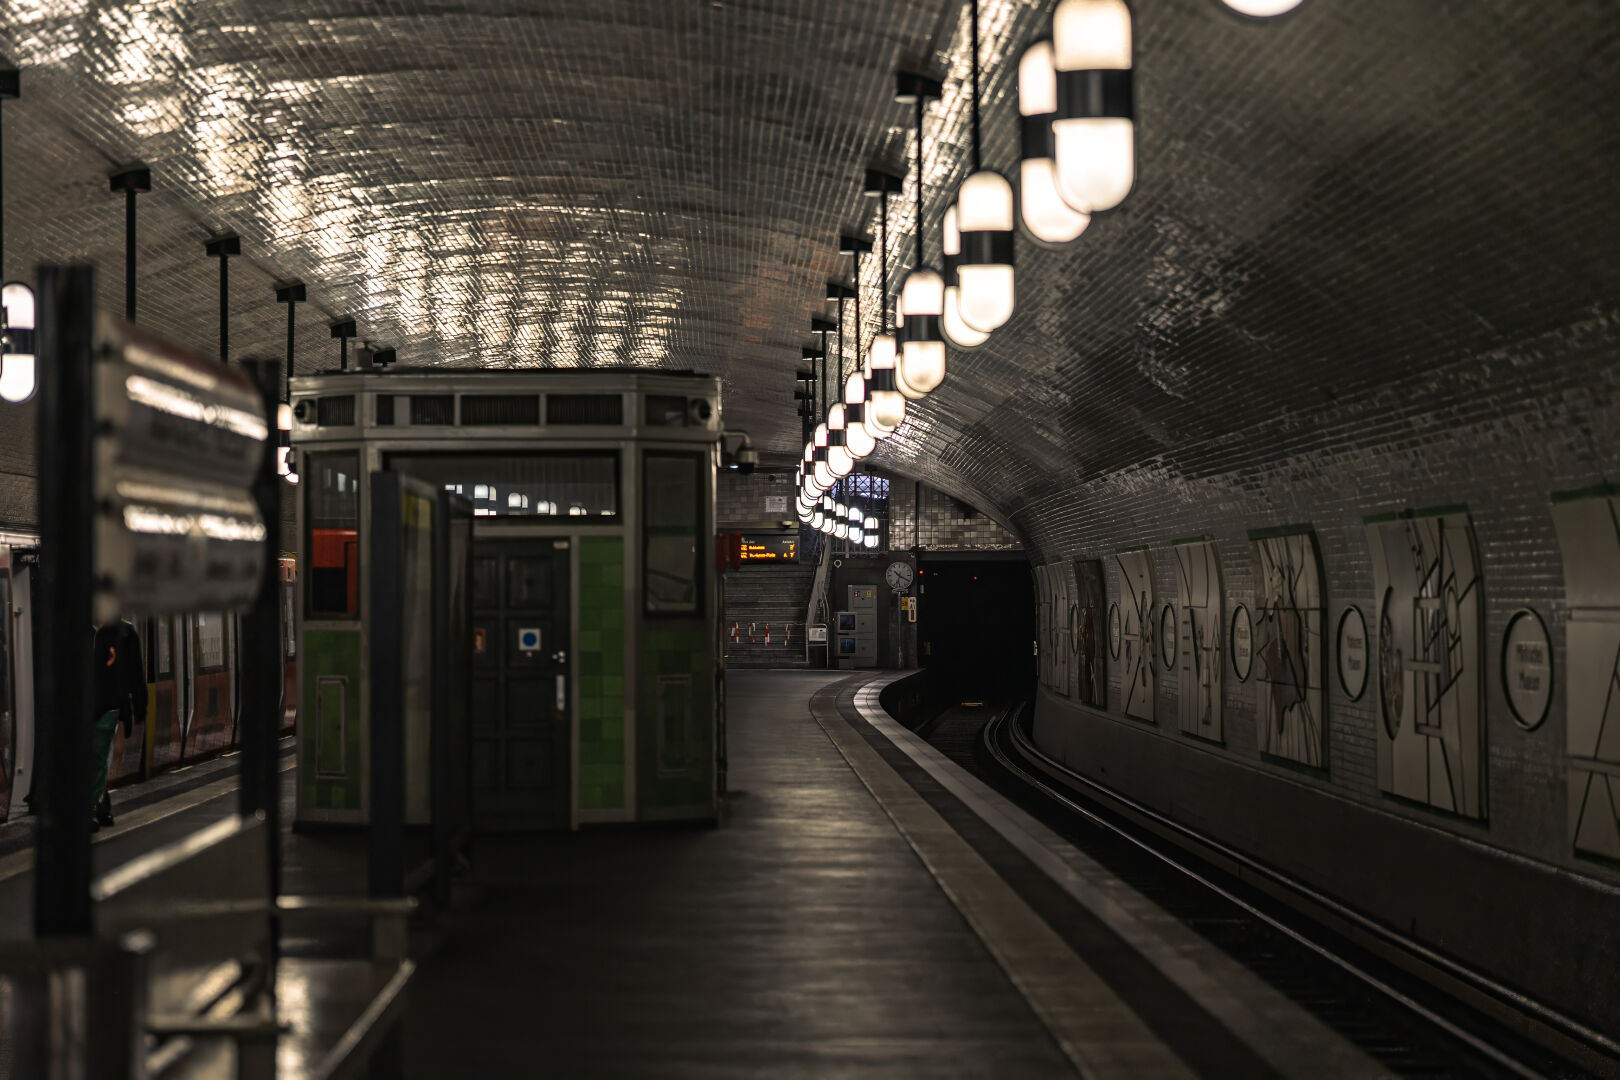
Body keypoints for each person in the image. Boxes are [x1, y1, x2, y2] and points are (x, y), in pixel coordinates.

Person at [91, 618, 145, 831]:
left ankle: (93, 807)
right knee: (97, 757)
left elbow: (131, 675)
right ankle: (101, 805)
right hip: (92, 707)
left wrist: (131, 711)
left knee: (97, 756)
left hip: (107, 708)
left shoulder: (123, 633)